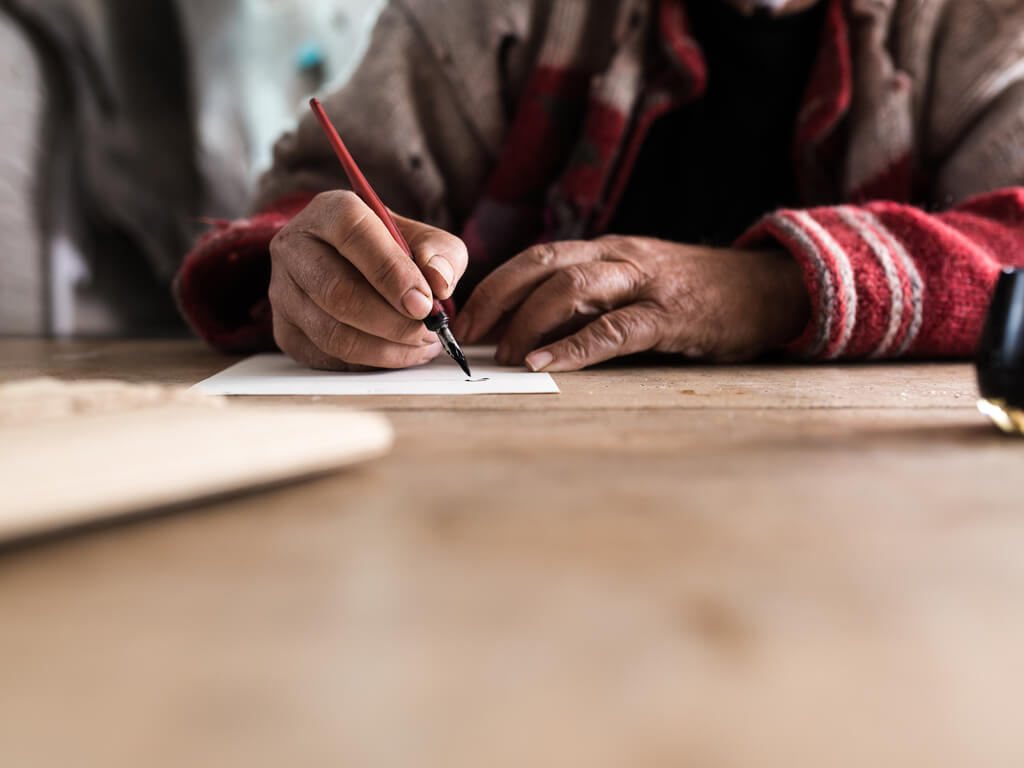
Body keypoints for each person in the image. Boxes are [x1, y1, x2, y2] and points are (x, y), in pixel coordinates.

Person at [176, 0, 1024, 373]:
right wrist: (309, 267)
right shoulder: (486, 14)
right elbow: (299, 209)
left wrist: (768, 288)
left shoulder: (981, 26)